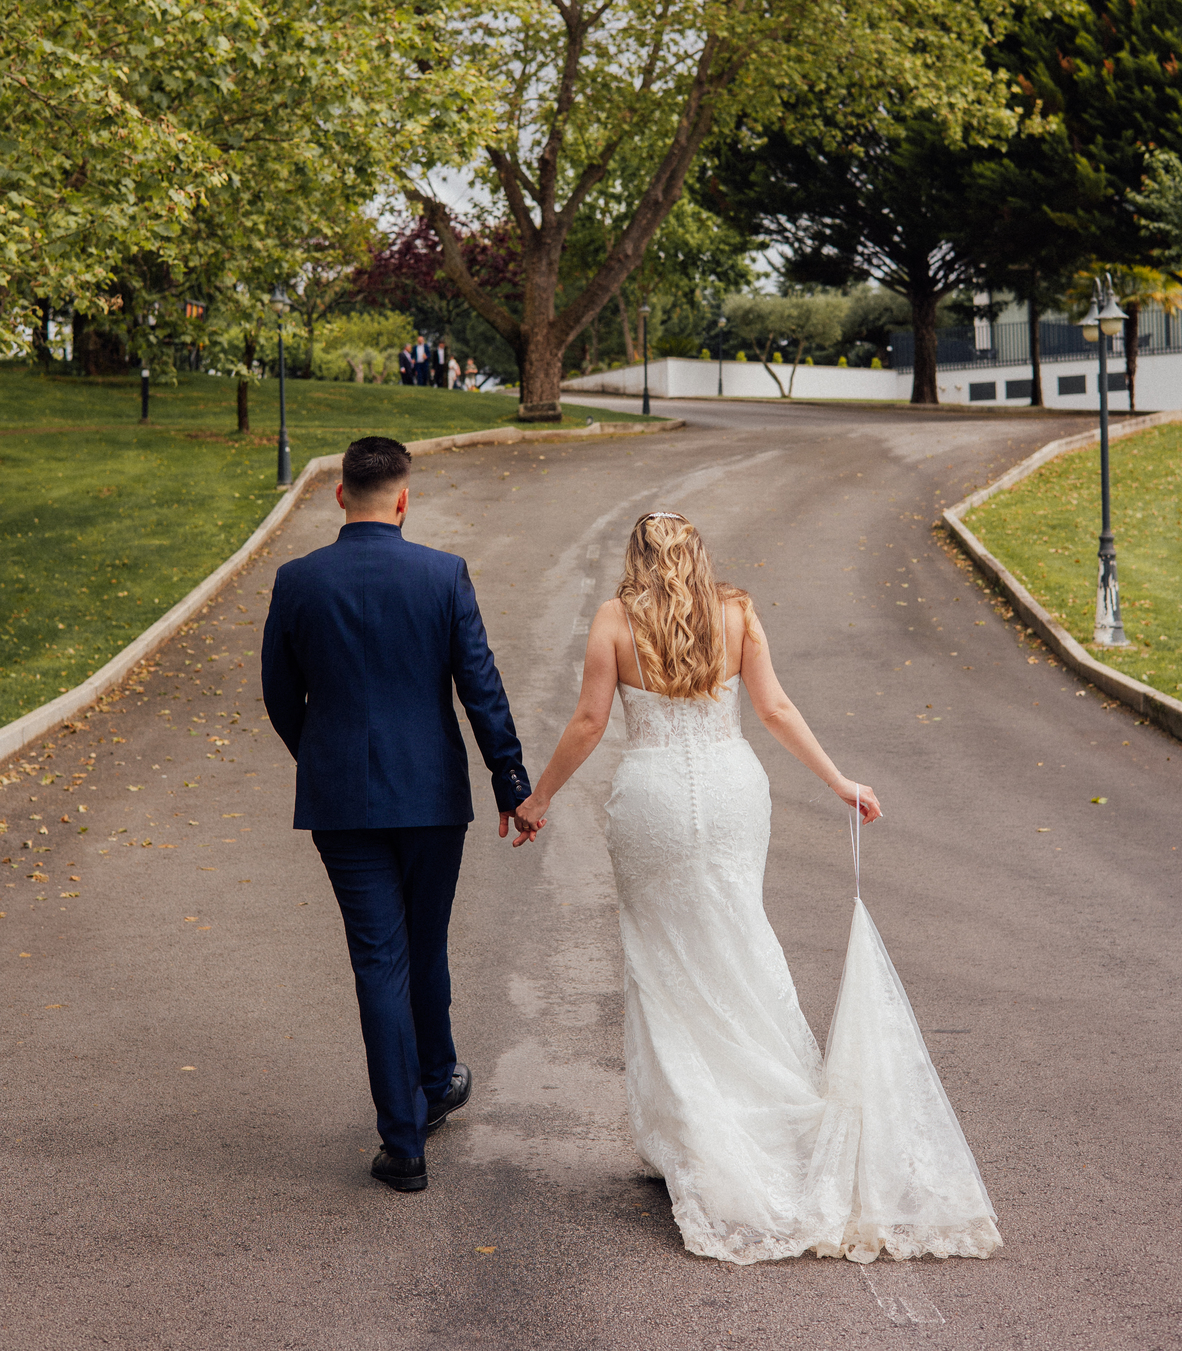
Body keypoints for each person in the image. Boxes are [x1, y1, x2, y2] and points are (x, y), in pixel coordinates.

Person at [513, 511, 1001, 1265]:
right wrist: (839, 781)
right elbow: (772, 708)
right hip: (735, 792)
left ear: (637, 557)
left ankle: (695, 1128)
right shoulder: (737, 612)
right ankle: (774, 1108)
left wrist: (539, 797)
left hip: (653, 805)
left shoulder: (615, 619)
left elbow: (587, 720)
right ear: (698, 553)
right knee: (740, 937)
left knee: (665, 962)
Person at [261, 436, 532, 1195]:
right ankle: (436, 1077)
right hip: (433, 794)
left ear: (340, 495)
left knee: (379, 956)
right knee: (425, 938)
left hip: (341, 796)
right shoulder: (443, 574)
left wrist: (320, 751)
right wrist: (509, 778)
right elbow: (480, 684)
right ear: (404, 499)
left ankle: (407, 1134)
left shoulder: (298, 579)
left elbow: (280, 694)